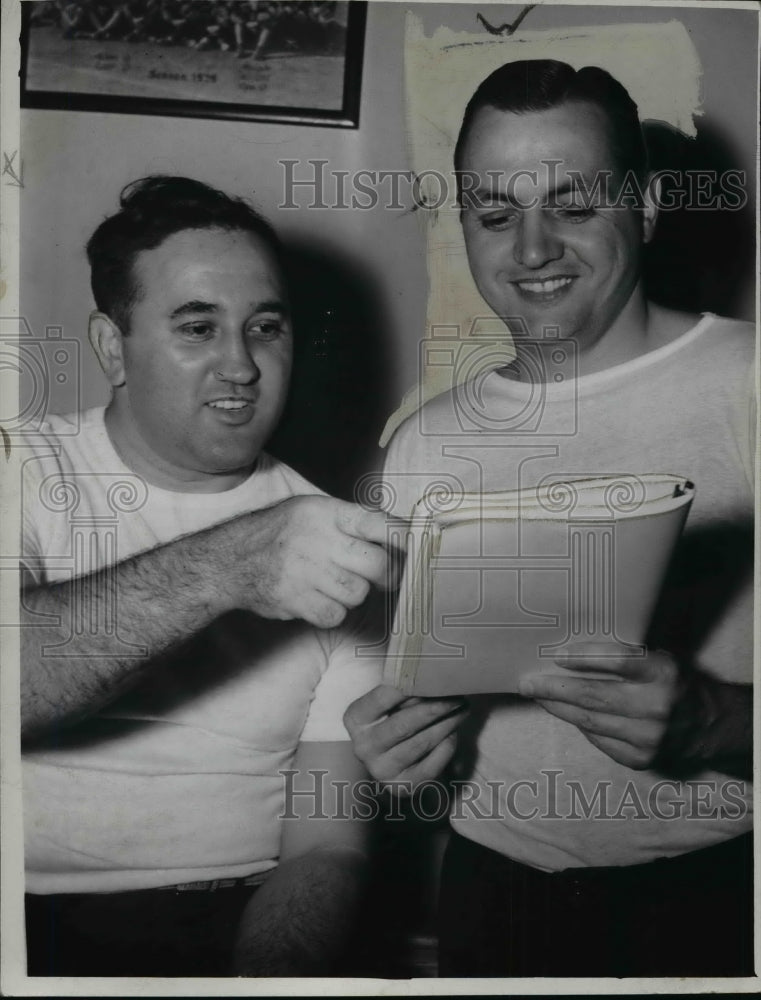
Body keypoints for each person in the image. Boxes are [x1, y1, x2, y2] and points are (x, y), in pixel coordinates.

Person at [345, 59, 754, 977]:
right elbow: (411, 703)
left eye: (572, 207)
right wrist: (395, 755)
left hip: (721, 900)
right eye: (495, 214)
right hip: (494, 899)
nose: (531, 250)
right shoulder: (422, 443)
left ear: (646, 207)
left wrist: (719, 723)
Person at [21, 175, 395, 976]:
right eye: (197, 327)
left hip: (232, 922)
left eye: (265, 327)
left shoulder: (338, 542)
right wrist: (234, 564)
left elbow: (327, 845)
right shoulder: (21, 466)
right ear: (108, 346)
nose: (241, 366)